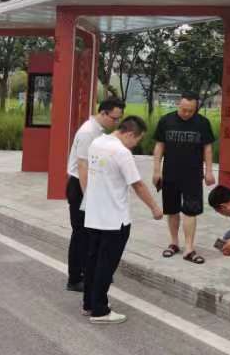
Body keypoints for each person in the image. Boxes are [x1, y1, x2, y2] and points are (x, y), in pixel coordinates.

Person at [81, 115, 163, 324]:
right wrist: (155, 208)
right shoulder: (121, 152)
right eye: (137, 140)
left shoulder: (97, 143)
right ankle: (100, 311)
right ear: (130, 134)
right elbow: (138, 184)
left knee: (93, 261)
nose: (135, 145)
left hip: (93, 216)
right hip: (115, 220)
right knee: (106, 265)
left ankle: (89, 304)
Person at [64, 96, 125, 292]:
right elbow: (82, 166)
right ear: (104, 113)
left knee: (92, 234)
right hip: (80, 187)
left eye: (119, 119)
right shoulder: (88, 132)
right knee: (81, 235)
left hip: (90, 186)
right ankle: (75, 278)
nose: (116, 122)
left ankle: (90, 272)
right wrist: (89, 198)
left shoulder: (99, 131)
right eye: (114, 118)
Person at [152, 92, 216, 264]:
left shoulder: (202, 123)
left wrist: (209, 171)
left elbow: (207, 149)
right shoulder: (166, 121)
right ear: (178, 105)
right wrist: (156, 170)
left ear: (196, 108)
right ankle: (174, 243)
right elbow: (159, 146)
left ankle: (189, 248)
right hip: (170, 173)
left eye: (190, 111)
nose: (186, 113)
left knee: (190, 210)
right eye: (184, 109)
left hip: (193, 174)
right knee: (172, 210)